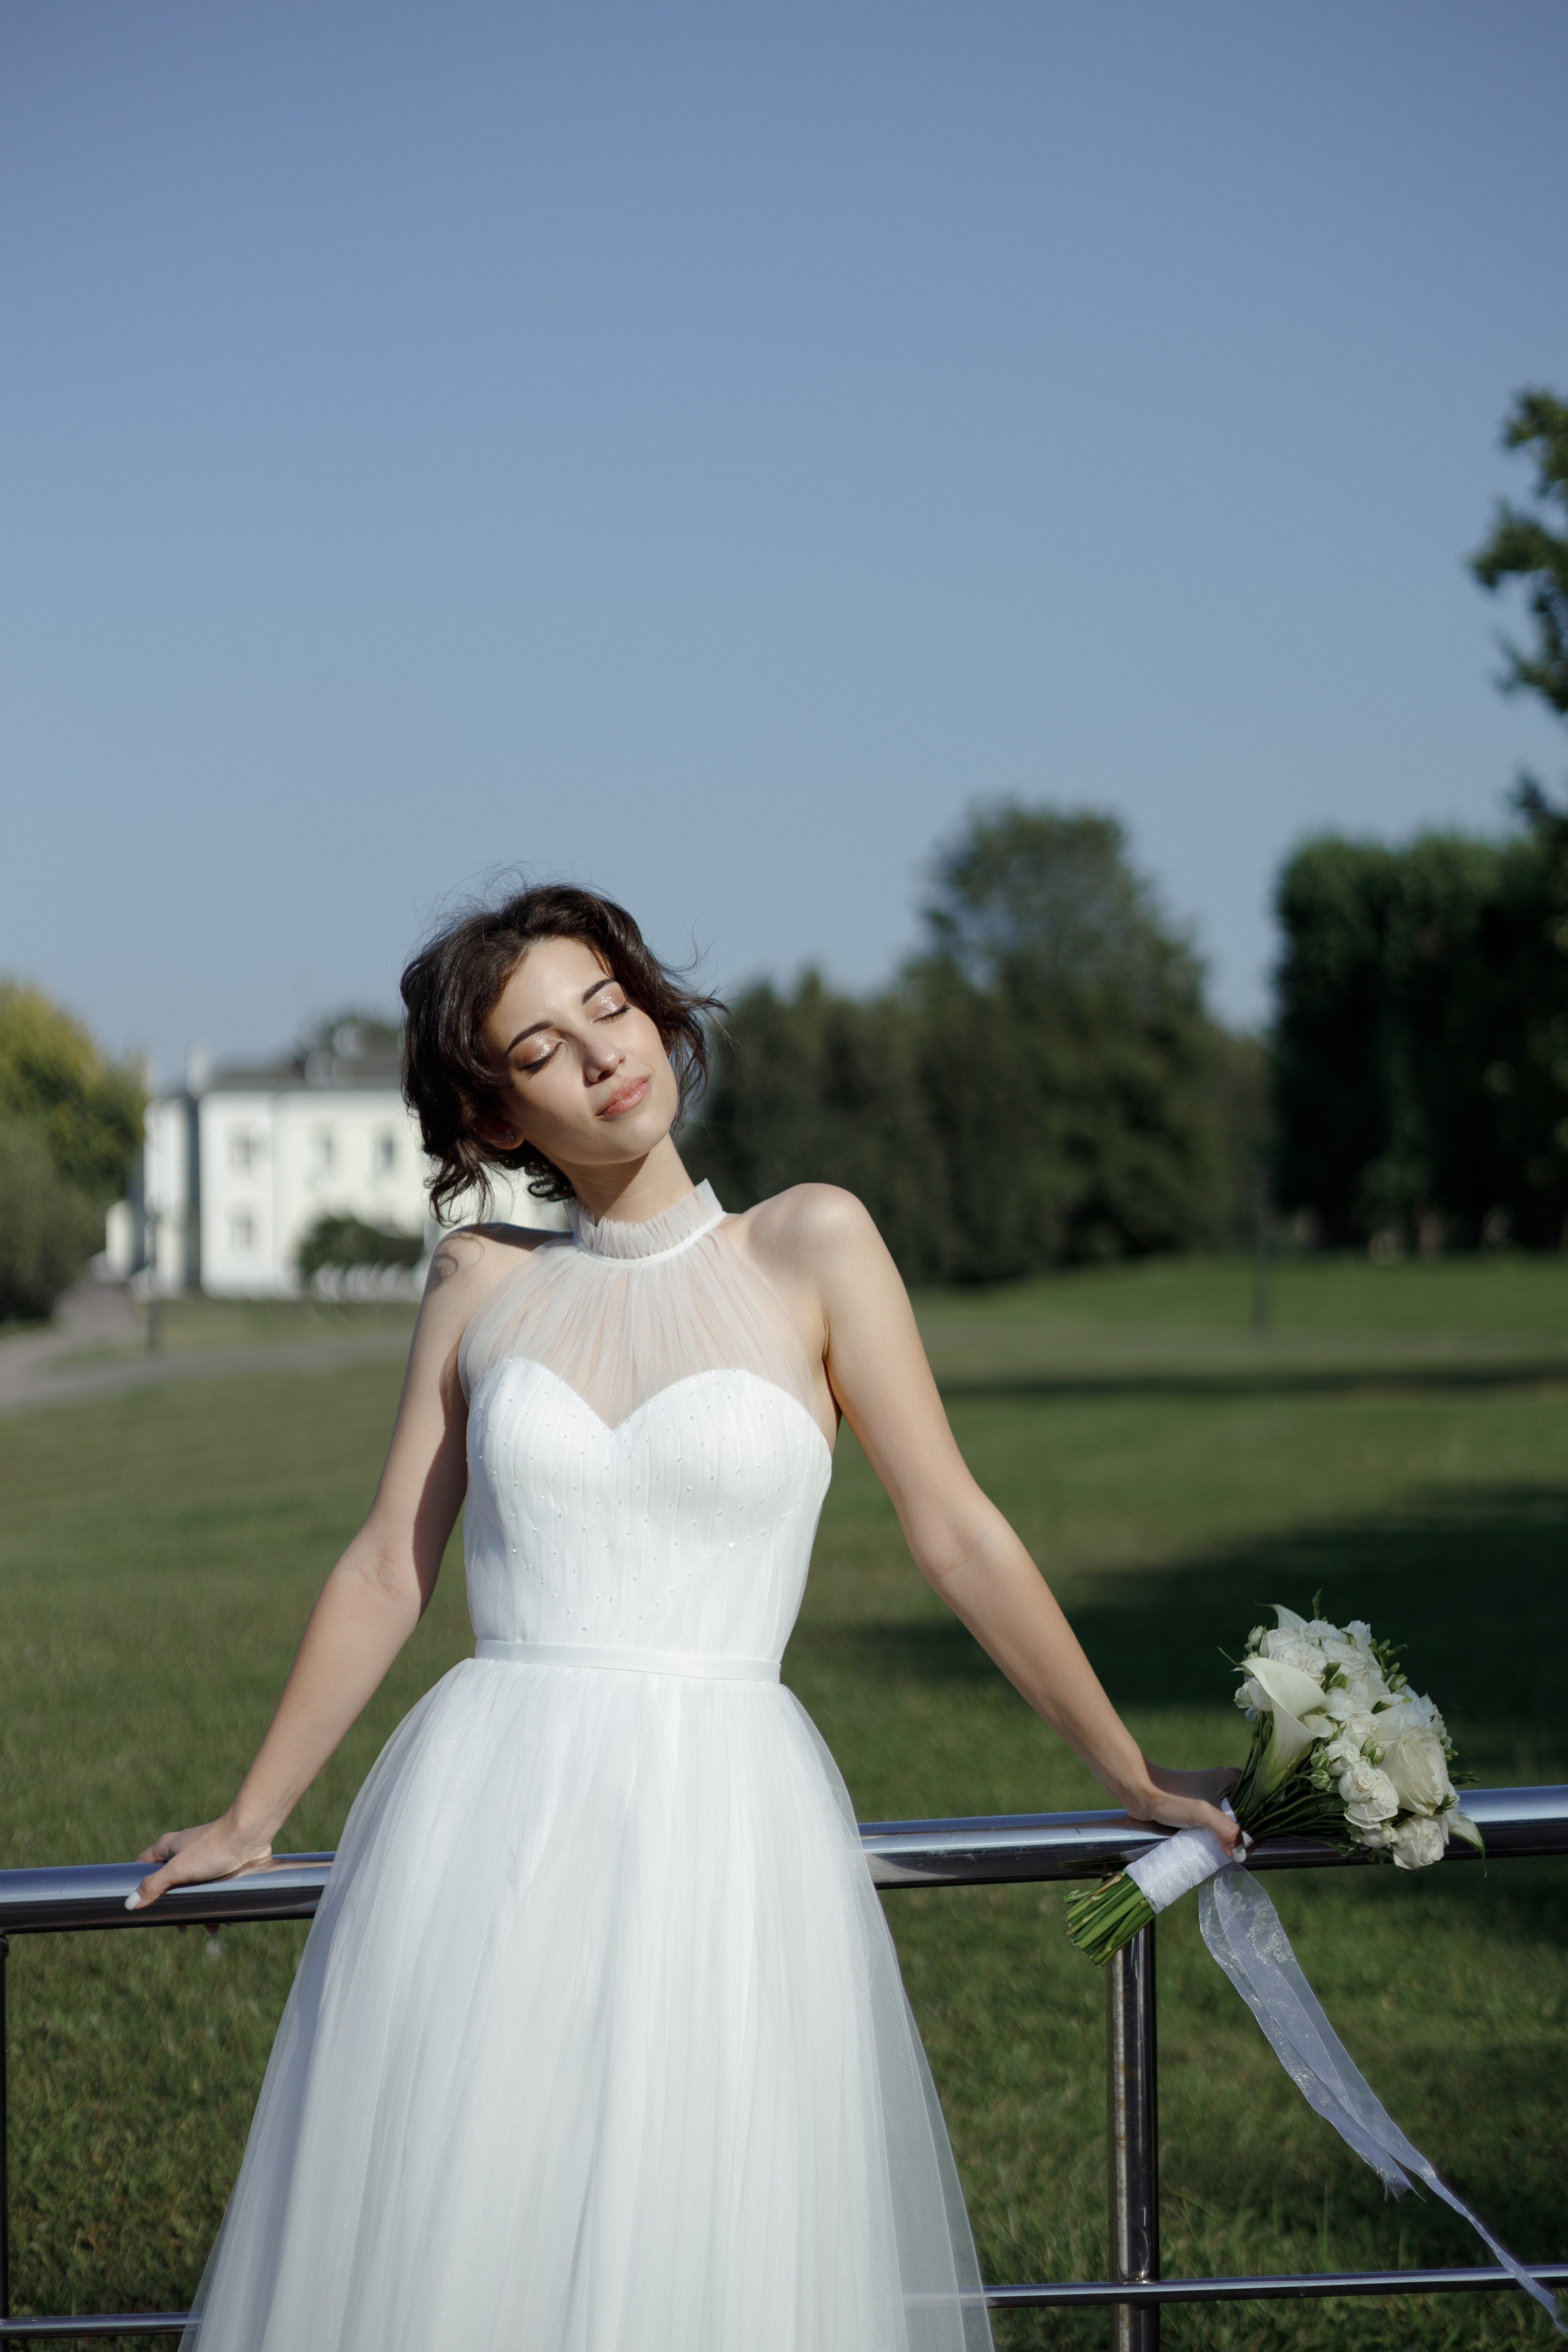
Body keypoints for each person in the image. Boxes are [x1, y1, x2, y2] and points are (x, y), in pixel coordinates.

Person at [132, 883, 1239, 2352]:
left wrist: (1124, 1770)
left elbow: (956, 1533)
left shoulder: (810, 1243)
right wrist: (250, 1812)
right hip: (484, 1832)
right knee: (467, 2241)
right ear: (498, 1116)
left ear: (656, 1011)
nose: (603, 1053)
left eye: (609, 1004)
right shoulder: (478, 1283)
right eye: (540, 1047)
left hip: (721, 1831)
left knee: (701, 2241)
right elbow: (388, 1568)